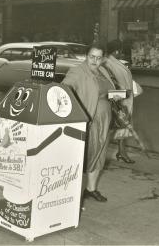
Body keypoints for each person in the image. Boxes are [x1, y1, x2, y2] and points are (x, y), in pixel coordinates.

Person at [62, 42, 116, 202]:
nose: (95, 61)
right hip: (88, 120)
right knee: (87, 155)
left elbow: (109, 94)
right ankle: (73, 193)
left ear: (103, 59)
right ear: (86, 56)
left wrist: (126, 93)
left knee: (100, 154)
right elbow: (63, 90)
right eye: (92, 57)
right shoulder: (77, 72)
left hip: (105, 120)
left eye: (99, 58)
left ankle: (91, 189)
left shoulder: (103, 71)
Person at [104, 40, 135, 164]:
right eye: (120, 50)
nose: (121, 52)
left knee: (121, 126)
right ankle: (99, 157)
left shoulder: (114, 62)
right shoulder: (107, 63)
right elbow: (110, 84)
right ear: (116, 50)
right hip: (116, 100)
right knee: (109, 128)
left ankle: (121, 152)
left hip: (124, 99)